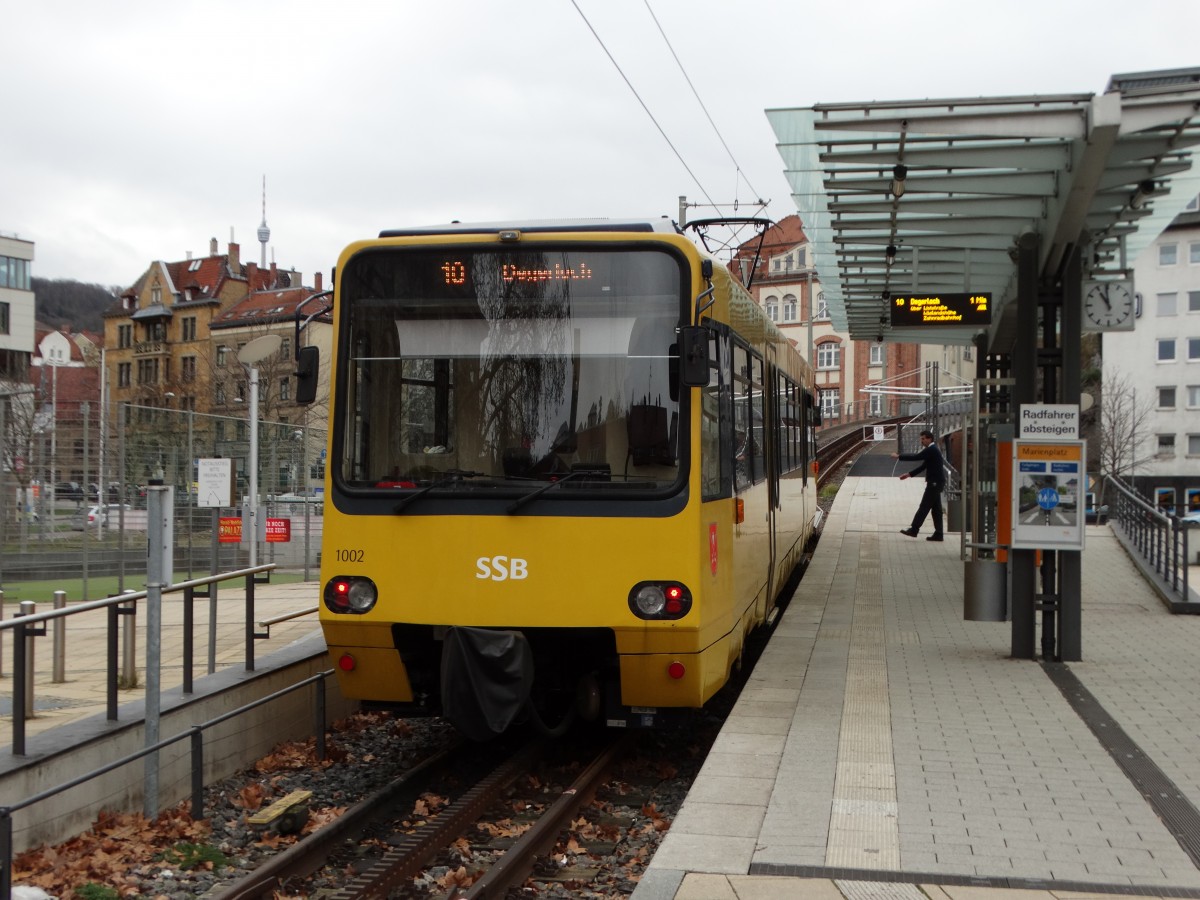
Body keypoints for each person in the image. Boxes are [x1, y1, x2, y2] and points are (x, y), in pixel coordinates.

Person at [891, 430, 945, 541]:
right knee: (936, 510)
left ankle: (914, 529)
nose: (922, 441)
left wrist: (899, 456)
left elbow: (916, 457)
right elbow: (923, 466)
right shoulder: (932, 450)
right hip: (936, 482)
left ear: (930, 438)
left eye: (923, 438)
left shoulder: (932, 450)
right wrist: (909, 474)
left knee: (924, 506)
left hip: (934, 483)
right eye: (921, 439)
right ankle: (939, 534)